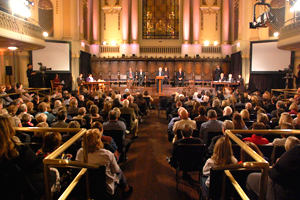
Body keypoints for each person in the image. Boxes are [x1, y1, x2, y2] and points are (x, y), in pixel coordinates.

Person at [76, 128, 133, 197]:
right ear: (98, 141)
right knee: (119, 171)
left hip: (85, 186)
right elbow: (115, 170)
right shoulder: (107, 154)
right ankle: (126, 189)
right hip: (105, 188)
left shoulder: (80, 152)